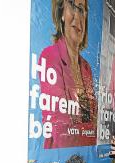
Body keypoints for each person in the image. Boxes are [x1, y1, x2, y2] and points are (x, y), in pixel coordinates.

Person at [40, 0, 97, 148]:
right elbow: (61, 130)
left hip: (84, 156)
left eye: (82, 10)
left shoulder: (86, 68)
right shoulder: (50, 57)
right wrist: (90, 132)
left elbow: (96, 121)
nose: (78, 17)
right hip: (60, 159)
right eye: (72, 6)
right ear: (62, 12)